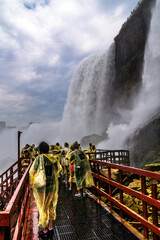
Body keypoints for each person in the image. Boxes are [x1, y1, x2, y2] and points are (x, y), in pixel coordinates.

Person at [29, 141, 62, 237]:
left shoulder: (39, 158)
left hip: (41, 187)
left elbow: (32, 171)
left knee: (43, 207)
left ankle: (45, 229)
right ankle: (51, 227)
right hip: (52, 186)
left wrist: (32, 182)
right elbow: (59, 169)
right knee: (51, 206)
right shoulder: (52, 158)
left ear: (40, 149)